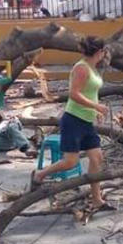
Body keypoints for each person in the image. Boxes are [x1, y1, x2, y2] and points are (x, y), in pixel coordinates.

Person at [31, 36, 109, 208]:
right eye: (104, 50)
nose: (105, 54)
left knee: (97, 159)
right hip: (73, 119)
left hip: (86, 121)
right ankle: (40, 174)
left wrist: (95, 111)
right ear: (98, 51)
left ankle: (97, 200)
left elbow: (89, 92)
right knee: (70, 162)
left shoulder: (92, 67)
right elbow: (74, 94)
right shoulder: (81, 68)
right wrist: (96, 105)